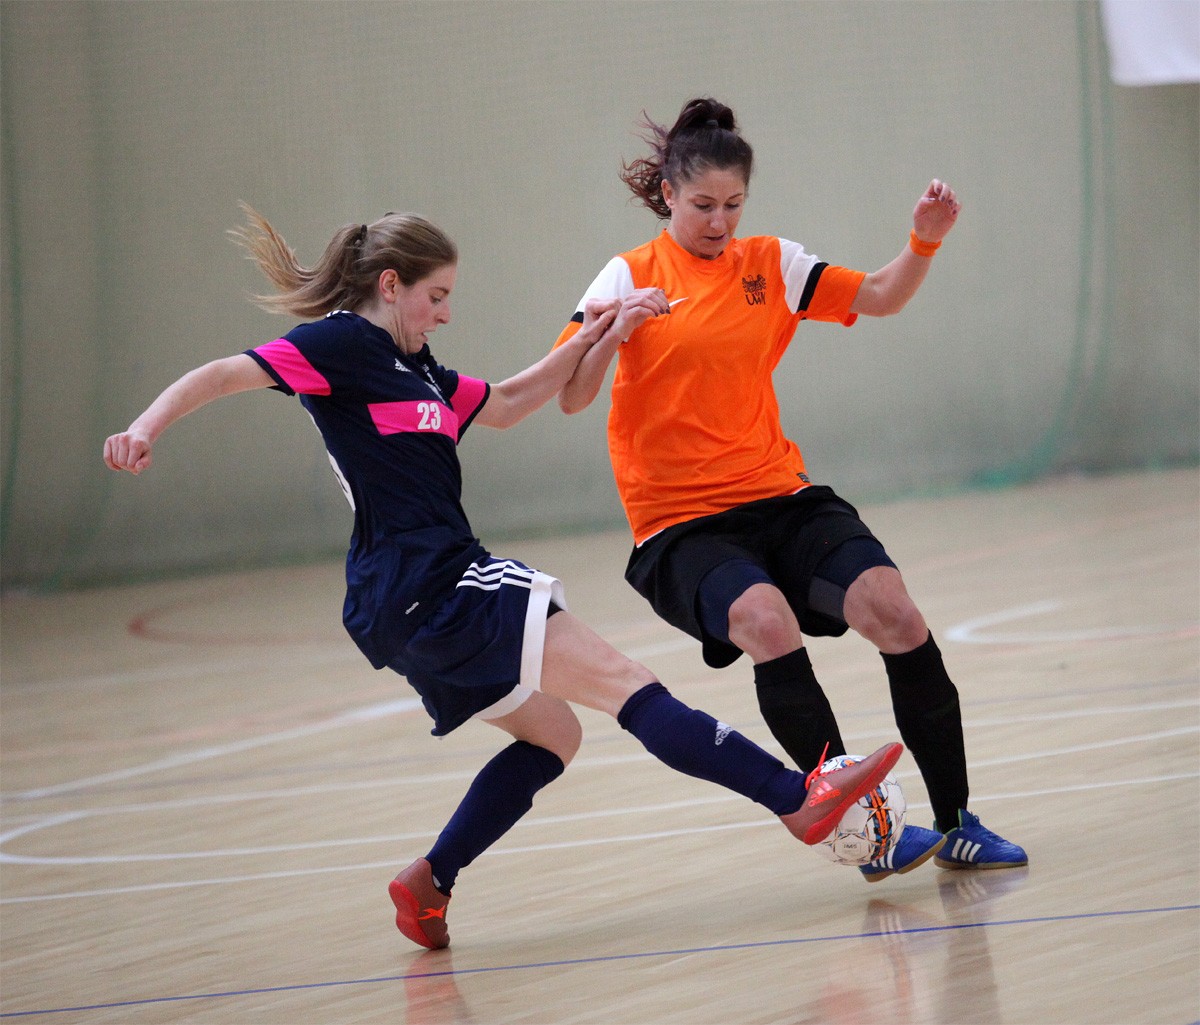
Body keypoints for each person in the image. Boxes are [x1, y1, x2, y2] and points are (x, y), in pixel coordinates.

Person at [103, 204, 906, 950]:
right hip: (434, 581)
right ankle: (795, 800)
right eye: (437, 296)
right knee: (626, 683)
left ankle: (430, 880)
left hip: (403, 603)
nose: (446, 313)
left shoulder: (419, 370)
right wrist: (144, 427)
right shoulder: (339, 347)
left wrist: (602, 329)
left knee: (556, 734)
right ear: (392, 285)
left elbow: (515, 399)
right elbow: (225, 372)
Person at [555, 97, 1027, 883]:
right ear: (668, 193)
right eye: (702, 205)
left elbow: (881, 294)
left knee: (894, 609)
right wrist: (616, 331)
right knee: (765, 620)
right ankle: (863, 828)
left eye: (733, 204)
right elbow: (573, 395)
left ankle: (957, 823)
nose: (719, 221)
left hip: (779, 495)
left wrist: (924, 241)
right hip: (680, 524)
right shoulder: (627, 274)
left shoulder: (772, 263)